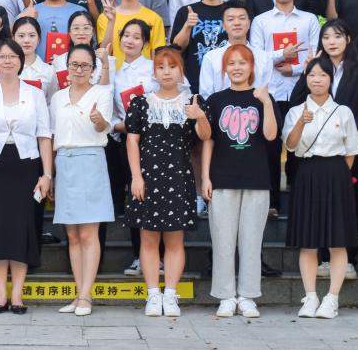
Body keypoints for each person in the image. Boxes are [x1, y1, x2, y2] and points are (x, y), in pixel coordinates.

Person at [288, 20, 358, 279]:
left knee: (348, 203)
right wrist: (306, 72)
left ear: (348, 39)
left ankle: (349, 258)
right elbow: (296, 103)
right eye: (326, 37)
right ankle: (323, 258)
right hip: (314, 151)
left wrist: (348, 139)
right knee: (318, 206)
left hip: (348, 148)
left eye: (337, 36)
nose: (331, 42)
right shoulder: (317, 68)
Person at [0, 39, 54, 315]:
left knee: (22, 225)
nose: (7, 61)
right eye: (2, 57)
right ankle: (0, 295)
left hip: (26, 163)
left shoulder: (35, 94)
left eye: (12, 56)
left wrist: (47, 174)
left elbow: (44, 135)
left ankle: (17, 295)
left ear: (21, 60)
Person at [126, 47, 206, 318]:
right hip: (147, 178)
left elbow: (205, 137)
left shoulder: (192, 101)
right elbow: (132, 140)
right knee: (148, 238)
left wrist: (199, 116)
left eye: (172, 66)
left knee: (175, 239)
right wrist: (136, 177)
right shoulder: (141, 102)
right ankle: (152, 295)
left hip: (179, 177)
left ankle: (170, 295)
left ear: (181, 70)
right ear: (154, 72)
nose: (167, 72)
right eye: (161, 67)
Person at [283, 56, 358, 319]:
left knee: (337, 241)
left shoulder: (343, 111)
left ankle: (332, 298)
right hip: (307, 173)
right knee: (308, 242)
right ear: (305, 79)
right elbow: (290, 146)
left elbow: (351, 152)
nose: (317, 80)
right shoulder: (296, 111)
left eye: (323, 75)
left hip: (336, 174)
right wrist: (301, 122)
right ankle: (310, 296)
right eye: (312, 75)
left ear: (331, 79)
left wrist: (337, 176)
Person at [202, 45, 277, 319]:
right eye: (231, 63)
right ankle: (225, 296)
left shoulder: (263, 97)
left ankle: (247, 296)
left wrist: (266, 102)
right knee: (222, 240)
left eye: (242, 62)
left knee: (251, 241)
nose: (236, 68)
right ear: (224, 68)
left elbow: (271, 135)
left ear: (252, 67)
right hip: (222, 178)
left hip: (256, 179)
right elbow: (208, 140)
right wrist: (205, 176)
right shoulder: (215, 100)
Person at [50, 45, 114, 316]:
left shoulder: (102, 93)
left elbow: (103, 127)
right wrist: (50, 173)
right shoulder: (57, 97)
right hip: (64, 162)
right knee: (72, 234)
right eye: (74, 65)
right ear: (66, 67)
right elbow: (52, 135)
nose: (78, 70)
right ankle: (79, 294)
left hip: (90, 160)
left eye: (85, 65)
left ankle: (87, 296)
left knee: (88, 233)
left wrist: (98, 120)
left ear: (93, 69)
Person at [250, 0, 320, 213]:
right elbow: (256, 57)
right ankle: (272, 203)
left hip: (301, 90)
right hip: (271, 92)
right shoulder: (261, 21)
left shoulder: (309, 20)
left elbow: (315, 57)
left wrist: (295, 69)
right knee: (270, 148)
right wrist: (282, 54)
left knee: (301, 145)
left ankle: (299, 200)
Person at [109, 19, 157, 276]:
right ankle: (139, 256)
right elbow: (111, 115)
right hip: (129, 143)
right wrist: (123, 126)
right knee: (136, 197)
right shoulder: (114, 73)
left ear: (145, 43)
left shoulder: (154, 68)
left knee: (157, 197)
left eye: (137, 37)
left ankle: (159, 257)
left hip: (158, 143)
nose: (130, 40)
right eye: (126, 35)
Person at [171, 0, 228, 95]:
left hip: (227, 81)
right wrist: (187, 26)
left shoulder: (232, 11)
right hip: (194, 83)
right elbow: (176, 48)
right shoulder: (186, 12)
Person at [199, 0, 274, 99]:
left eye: (242, 18)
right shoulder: (211, 58)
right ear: (223, 25)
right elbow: (206, 95)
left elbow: (270, 95)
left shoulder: (264, 57)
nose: (237, 23)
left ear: (249, 23)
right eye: (231, 19)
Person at [97, 0, 167, 66]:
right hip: (114, 73)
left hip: (144, 75)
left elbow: (157, 55)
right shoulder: (105, 18)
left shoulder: (154, 19)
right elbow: (104, 53)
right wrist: (111, 21)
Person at [0, 17, 58, 99]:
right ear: (13, 39)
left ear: (38, 39)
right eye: (21, 36)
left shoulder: (49, 71)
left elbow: (51, 101)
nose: (26, 40)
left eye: (32, 35)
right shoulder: (4, 67)